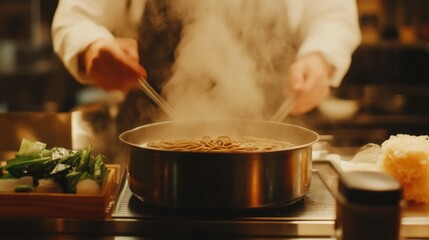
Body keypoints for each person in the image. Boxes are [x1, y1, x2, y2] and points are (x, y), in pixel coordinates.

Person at [52, 0, 361, 126]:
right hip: (151, 156)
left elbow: (333, 15)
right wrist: (92, 48)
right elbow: (76, 17)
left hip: (272, 141)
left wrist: (319, 58)